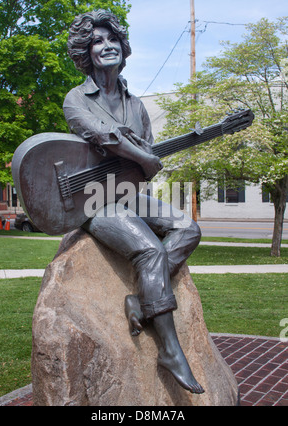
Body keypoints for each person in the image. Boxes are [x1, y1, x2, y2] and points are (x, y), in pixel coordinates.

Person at [63, 9, 204, 394]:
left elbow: (144, 164)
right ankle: (171, 351)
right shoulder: (77, 98)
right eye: (96, 41)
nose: (106, 46)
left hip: (127, 193)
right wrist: (143, 157)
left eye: (112, 40)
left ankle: (142, 303)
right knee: (150, 251)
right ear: (85, 53)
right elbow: (105, 137)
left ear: (123, 49)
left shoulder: (137, 105)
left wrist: (147, 164)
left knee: (188, 228)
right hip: (92, 201)